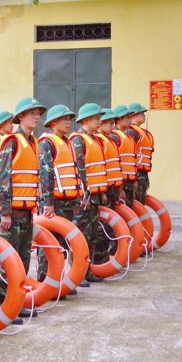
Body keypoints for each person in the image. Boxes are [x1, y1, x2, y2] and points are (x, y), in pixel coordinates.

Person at [0, 97, 44, 304]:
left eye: (39, 113)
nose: (36, 116)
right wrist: (4, 211)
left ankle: (17, 300)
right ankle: (5, 301)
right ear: (20, 117)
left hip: (26, 212)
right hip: (10, 214)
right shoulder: (12, 141)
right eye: (32, 113)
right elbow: (2, 177)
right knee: (8, 260)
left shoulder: (33, 142)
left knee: (22, 260)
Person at [36, 105, 83, 284]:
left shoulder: (67, 142)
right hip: (53, 202)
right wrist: (48, 202)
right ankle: (44, 281)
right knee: (49, 243)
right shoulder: (47, 143)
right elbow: (45, 173)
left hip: (68, 201)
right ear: (53, 122)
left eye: (70, 119)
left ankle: (58, 280)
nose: (69, 122)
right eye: (65, 119)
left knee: (62, 245)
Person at [70, 103, 108, 285]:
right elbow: (79, 169)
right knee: (81, 235)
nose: (99, 120)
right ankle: (77, 273)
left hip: (94, 196)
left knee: (92, 233)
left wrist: (102, 192)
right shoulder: (78, 140)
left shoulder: (94, 139)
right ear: (85, 120)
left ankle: (88, 269)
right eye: (96, 118)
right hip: (83, 198)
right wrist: (84, 193)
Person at [94, 108, 125, 264]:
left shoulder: (109, 140)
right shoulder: (97, 141)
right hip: (101, 190)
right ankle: (99, 262)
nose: (113, 124)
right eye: (109, 122)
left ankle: (108, 258)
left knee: (108, 228)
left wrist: (118, 189)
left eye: (114, 121)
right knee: (100, 229)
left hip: (112, 189)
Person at [128, 103, 154, 204]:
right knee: (136, 202)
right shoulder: (131, 132)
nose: (144, 115)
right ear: (133, 115)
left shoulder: (141, 132)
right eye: (141, 113)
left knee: (141, 202)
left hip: (143, 174)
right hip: (137, 174)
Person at [112, 105, 138, 206]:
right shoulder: (114, 137)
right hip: (121, 184)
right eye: (127, 117)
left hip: (129, 182)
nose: (130, 119)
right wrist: (120, 188)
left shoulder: (128, 137)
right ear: (119, 119)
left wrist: (134, 180)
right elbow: (115, 165)